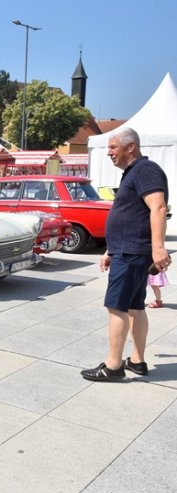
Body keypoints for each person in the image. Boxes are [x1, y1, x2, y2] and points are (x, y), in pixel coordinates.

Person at [81, 128, 170, 382]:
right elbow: (132, 215)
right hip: (127, 250)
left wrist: (158, 248)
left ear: (130, 147)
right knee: (134, 306)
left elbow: (158, 207)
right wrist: (111, 249)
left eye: (112, 147)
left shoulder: (145, 170)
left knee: (116, 306)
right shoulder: (134, 173)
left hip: (132, 252)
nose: (109, 152)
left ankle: (113, 365)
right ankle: (137, 361)